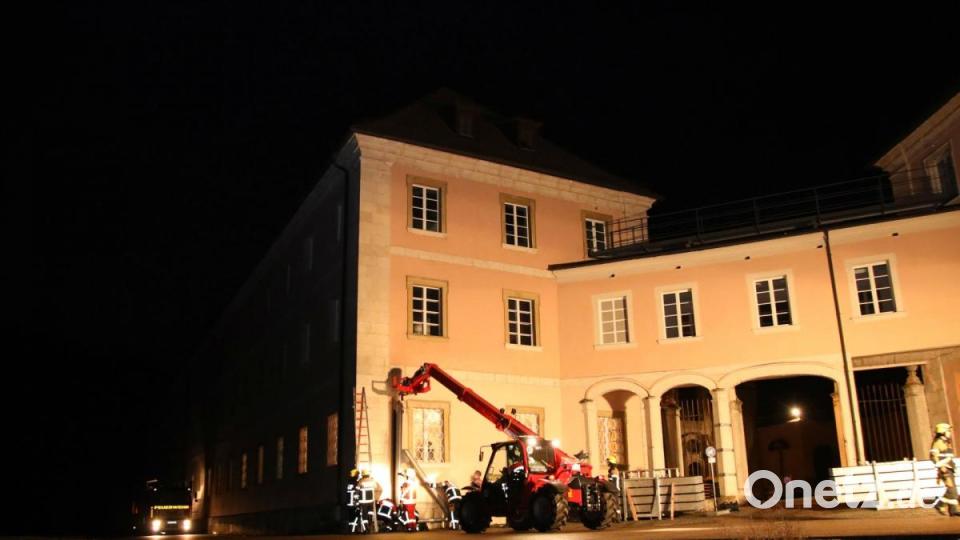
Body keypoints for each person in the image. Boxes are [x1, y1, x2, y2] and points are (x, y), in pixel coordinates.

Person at [931, 422, 959, 516]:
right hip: (945, 469)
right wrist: (942, 467)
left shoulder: (946, 442)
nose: (950, 432)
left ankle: (953, 510)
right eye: (948, 431)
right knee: (952, 490)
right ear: (943, 432)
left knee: (953, 489)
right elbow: (933, 456)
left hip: (950, 468)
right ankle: (940, 504)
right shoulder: (938, 443)